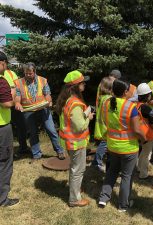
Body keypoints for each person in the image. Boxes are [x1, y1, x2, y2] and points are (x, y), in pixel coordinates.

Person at [98, 79, 146, 212]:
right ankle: (123, 205)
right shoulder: (130, 107)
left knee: (111, 172)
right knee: (127, 176)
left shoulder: (106, 103)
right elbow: (136, 130)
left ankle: (103, 198)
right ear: (125, 92)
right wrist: (144, 138)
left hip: (112, 145)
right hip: (129, 148)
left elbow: (105, 121)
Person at [56, 70, 93, 207]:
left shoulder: (66, 100)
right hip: (77, 143)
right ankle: (74, 199)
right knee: (78, 170)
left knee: (74, 168)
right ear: (75, 86)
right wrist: (88, 118)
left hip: (70, 142)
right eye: (82, 82)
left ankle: (75, 189)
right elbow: (79, 127)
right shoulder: (75, 104)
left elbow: (71, 122)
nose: (84, 84)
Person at [14, 62, 65, 160]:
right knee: (33, 133)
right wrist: (17, 103)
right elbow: (17, 97)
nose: (28, 75)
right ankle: (36, 154)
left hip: (43, 109)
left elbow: (47, 95)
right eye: (26, 73)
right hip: (28, 111)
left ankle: (59, 151)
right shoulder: (19, 82)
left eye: (30, 73)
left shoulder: (43, 80)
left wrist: (49, 101)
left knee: (51, 130)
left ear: (35, 71)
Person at [0, 51, 19, 207]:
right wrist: (13, 96)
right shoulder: (2, 81)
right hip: (2, 127)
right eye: (5, 64)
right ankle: (3, 199)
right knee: (5, 161)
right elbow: (7, 104)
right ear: (2, 63)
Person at [3, 69, 29, 156]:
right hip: (3, 105)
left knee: (21, 126)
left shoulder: (11, 73)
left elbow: (17, 86)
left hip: (14, 104)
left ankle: (23, 148)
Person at [93, 76, 115, 172]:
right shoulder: (109, 99)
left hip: (102, 126)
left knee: (104, 145)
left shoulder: (102, 97)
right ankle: (97, 162)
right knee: (103, 145)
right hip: (106, 127)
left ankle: (96, 161)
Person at [136, 83, 153, 179]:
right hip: (147, 134)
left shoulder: (137, 105)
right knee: (147, 154)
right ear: (148, 96)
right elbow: (152, 121)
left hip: (140, 133)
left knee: (143, 152)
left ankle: (139, 168)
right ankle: (143, 174)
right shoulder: (146, 107)